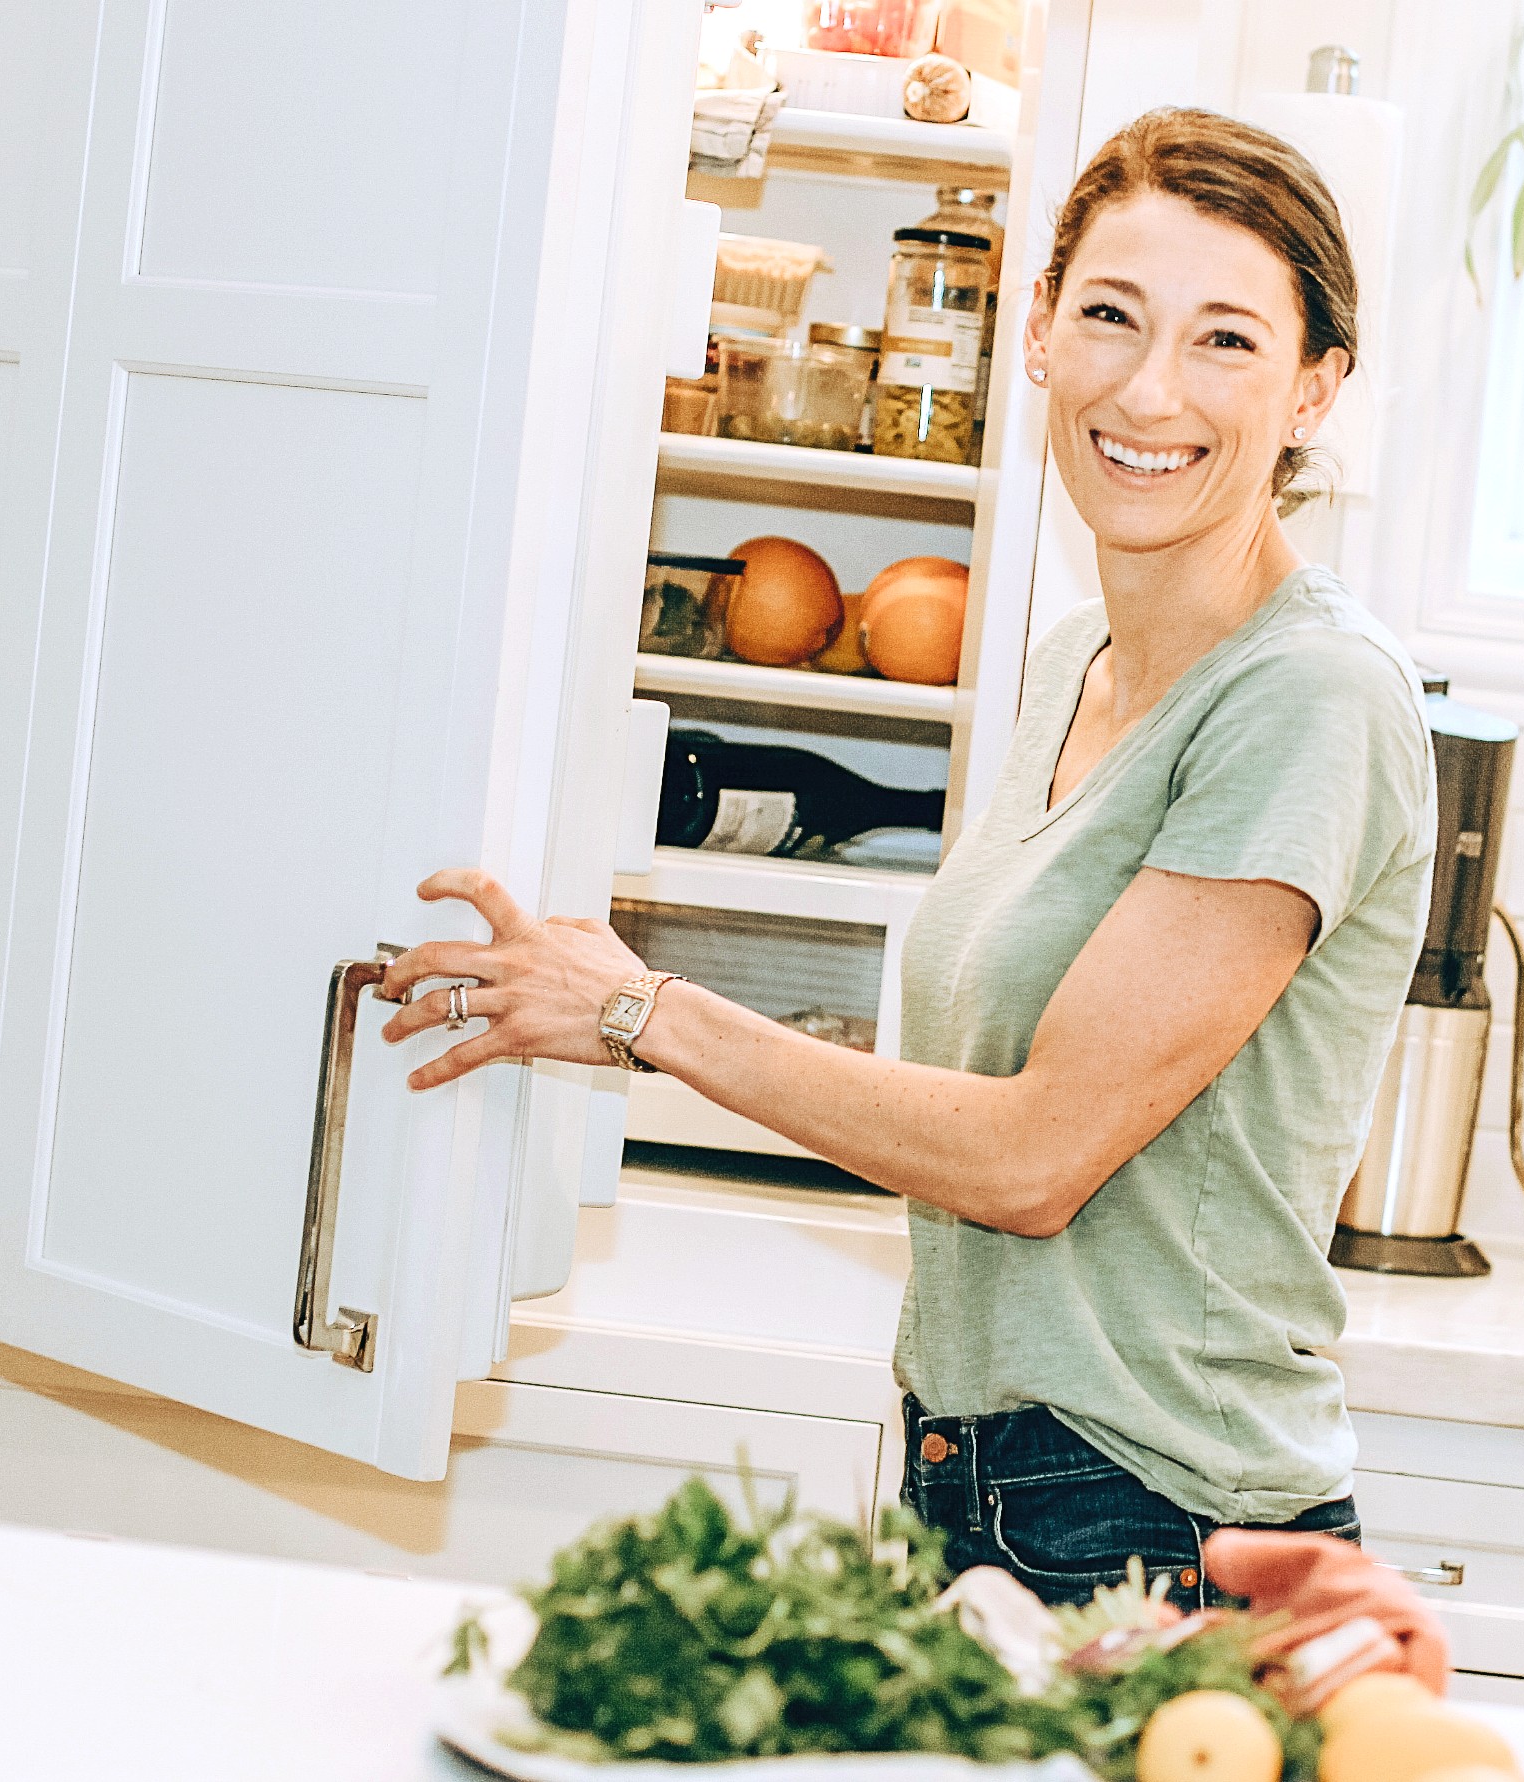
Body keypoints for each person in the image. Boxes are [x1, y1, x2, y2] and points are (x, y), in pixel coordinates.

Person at [377, 107, 1431, 1609]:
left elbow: (1032, 1156)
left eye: (1226, 342)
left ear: (1317, 388)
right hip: (985, 1482)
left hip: (1165, 1522)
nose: (1149, 388)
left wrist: (640, 1011)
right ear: (1041, 335)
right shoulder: (1079, 663)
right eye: (1114, 318)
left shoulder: (1308, 695)